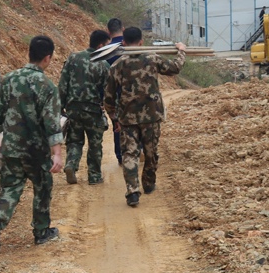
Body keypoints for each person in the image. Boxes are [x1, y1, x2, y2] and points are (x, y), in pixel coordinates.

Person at [0, 35, 64, 254]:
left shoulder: (9, 79)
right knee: (43, 187)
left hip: (11, 148)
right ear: (47, 58)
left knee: (10, 188)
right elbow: (52, 122)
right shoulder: (48, 86)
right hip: (37, 151)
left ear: (28, 53)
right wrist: (56, 153)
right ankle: (41, 232)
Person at [104, 27, 186, 208]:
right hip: (151, 116)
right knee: (150, 153)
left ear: (124, 43)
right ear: (141, 42)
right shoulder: (152, 58)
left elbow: (108, 96)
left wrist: (113, 116)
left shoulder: (117, 65)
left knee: (130, 154)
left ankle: (133, 191)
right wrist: (181, 50)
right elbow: (175, 68)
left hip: (128, 118)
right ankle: (148, 184)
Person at [58, 29, 111, 185]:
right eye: (107, 45)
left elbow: (63, 84)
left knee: (74, 140)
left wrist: (61, 106)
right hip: (93, 109)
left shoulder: (73, 58)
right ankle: (94, 176)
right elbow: (108, 91)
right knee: (95, 143)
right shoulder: (103, 64)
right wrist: (109, 110)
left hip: (73, 108)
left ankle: (71, 165)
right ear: (101, 45)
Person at [106, 18, 125, 165]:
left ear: (108, 32)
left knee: (118, 125)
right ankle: (138, 151)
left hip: (114, 93)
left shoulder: (106, 51)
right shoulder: (132, 45)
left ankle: (121, 156)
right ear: (123, 29)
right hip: (134, 92)